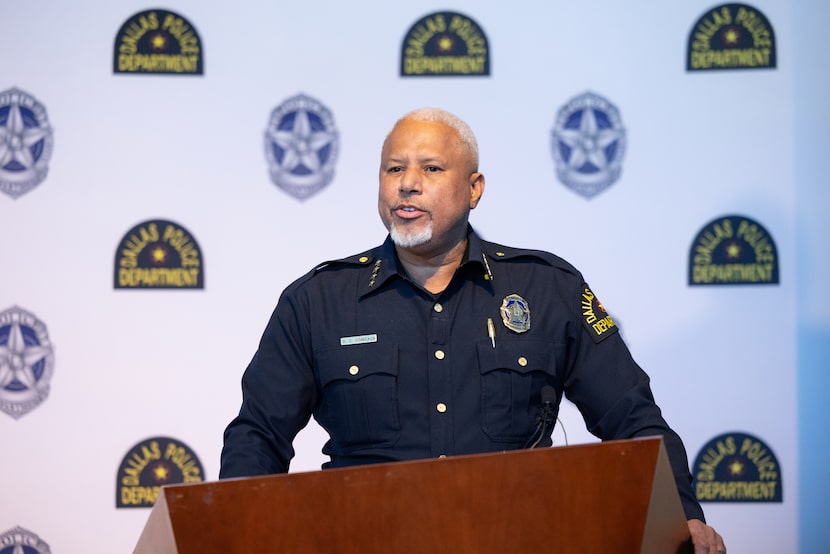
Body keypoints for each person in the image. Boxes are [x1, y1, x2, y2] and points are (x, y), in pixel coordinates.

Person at [220, 108, 726, 553]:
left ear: (474, 188)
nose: (407, 183)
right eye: (394, 169)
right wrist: (236, 532)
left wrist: (682, 516)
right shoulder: (317, 301)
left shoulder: (549, 289)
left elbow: (634, 420)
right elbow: (258, 435)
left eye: (431, 168)